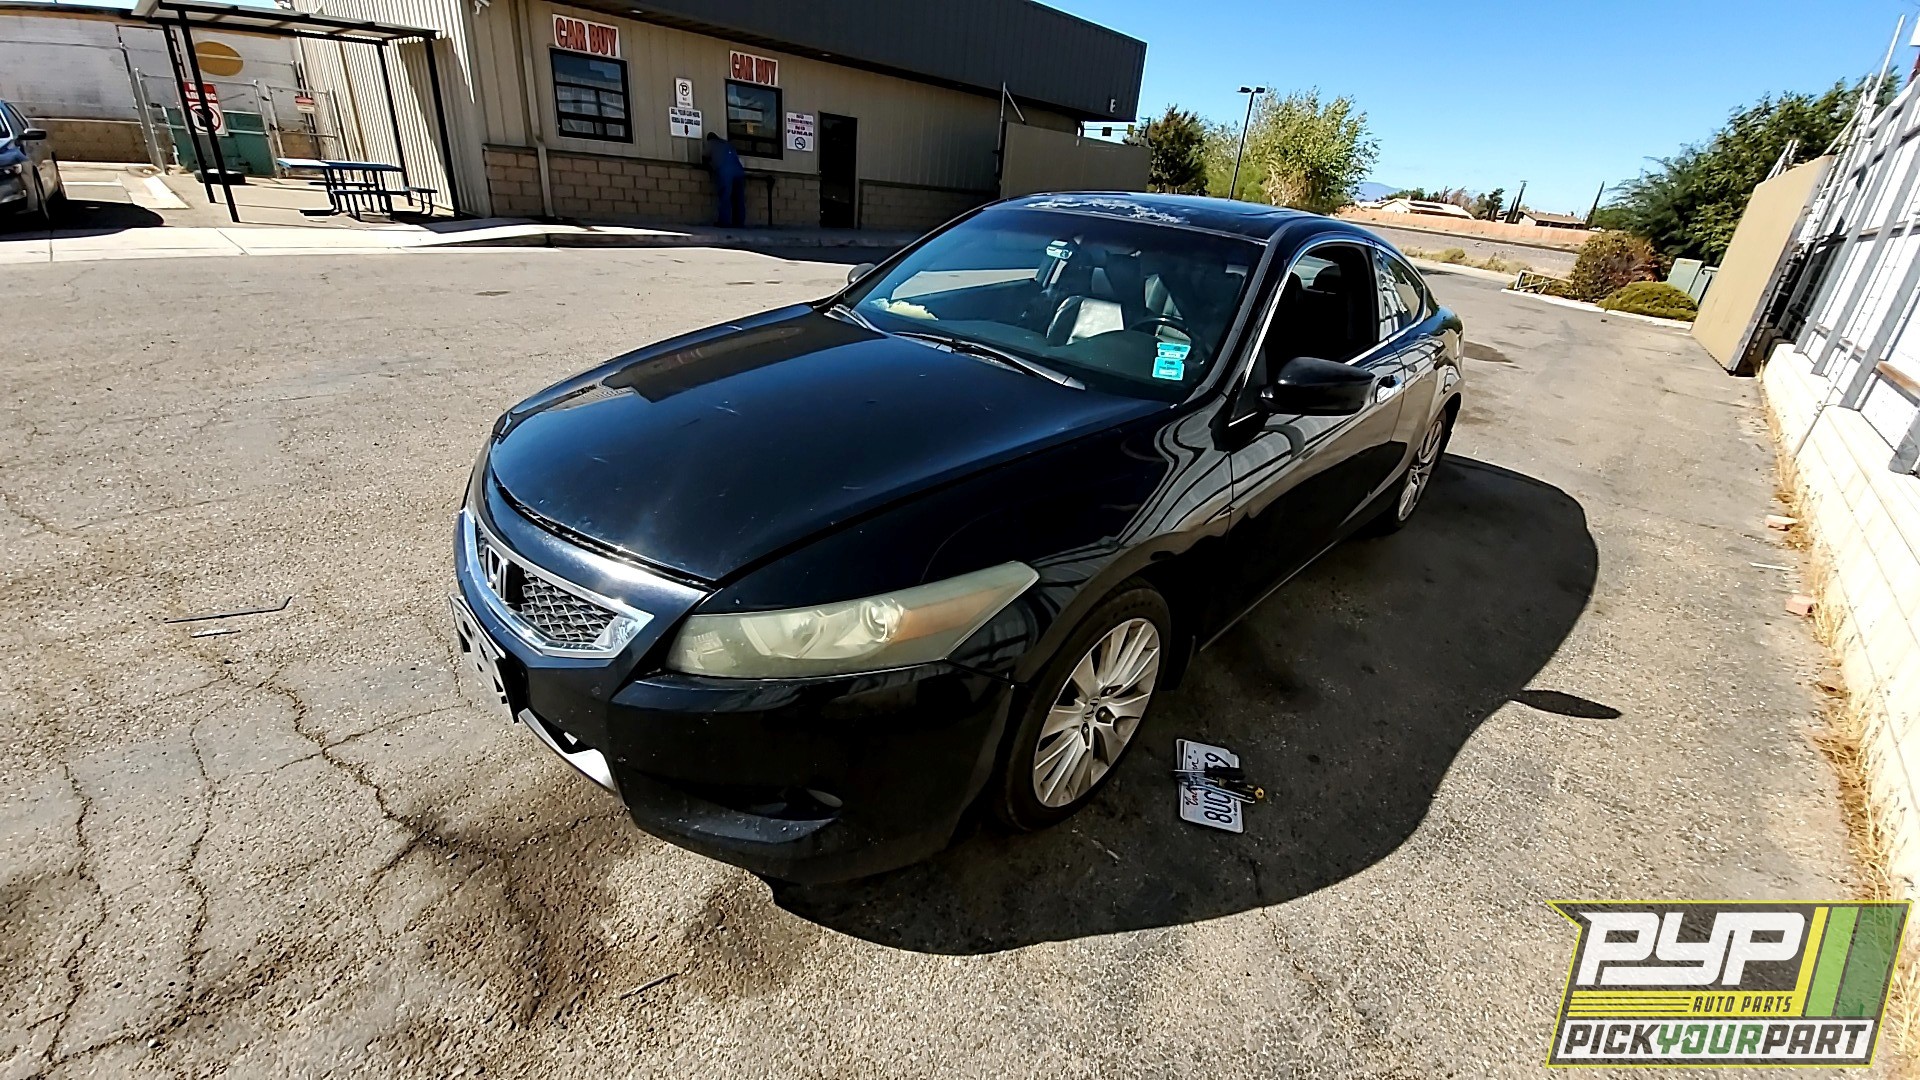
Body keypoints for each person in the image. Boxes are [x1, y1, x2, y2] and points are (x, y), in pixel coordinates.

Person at [704, 132, 746, 228]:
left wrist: (710, 168)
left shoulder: (711, 143)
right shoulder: (728, 144)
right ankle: (739, 223)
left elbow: (704, 157)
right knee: (739, 198)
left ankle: (724, 222)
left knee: (725, 197)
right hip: (739, 171)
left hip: (726, 172)